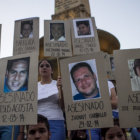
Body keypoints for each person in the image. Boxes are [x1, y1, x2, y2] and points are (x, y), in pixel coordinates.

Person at [38, 58, 66, 140]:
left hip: (56, 121)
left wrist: (60, 89)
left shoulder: (59, 84)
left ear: (52, 70)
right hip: (37, 123)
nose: (44, 67)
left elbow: (63, 106)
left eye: (47, 65)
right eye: (41, 66)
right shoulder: (33, 87)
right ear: (39, 70)